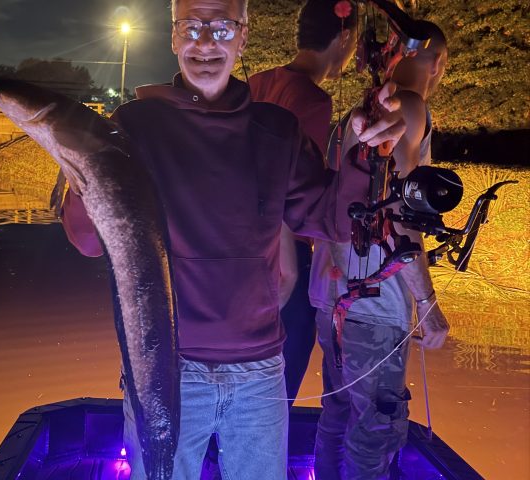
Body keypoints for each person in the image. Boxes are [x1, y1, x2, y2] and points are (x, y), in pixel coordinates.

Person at [59, 0, 406, 478]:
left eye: (222, 27)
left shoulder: (276, 131)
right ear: (173, 37)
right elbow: (88, 240)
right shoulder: (133, 127)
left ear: (244, 37)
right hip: (166, 370)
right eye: (192, 26)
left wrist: (368, 152)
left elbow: (335, 221)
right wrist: (77, 167)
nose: (206, 42)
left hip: (260, 372)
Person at [308, 20, 450, 480]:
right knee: (377, 425)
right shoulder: (409, 108)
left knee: (338, 413)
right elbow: (402, 215)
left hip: (330, 300)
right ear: (439, 64)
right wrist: (427, 303)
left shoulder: (359, 111)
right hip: (372, 305)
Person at [248, 0, 358, 406]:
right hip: (281, 253)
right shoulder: (311, 100)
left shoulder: (257, 82)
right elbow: (286, 187)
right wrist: (291, 266)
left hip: (242, 247)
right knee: (283, 370)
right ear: (344, 37)